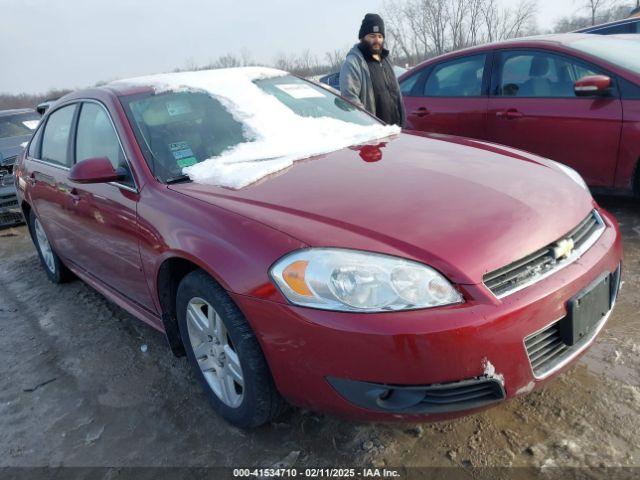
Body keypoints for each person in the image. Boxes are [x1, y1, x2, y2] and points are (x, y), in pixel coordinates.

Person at [339, 13, 405, 127]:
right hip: (374, 134)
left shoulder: (386, 60)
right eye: (372, 35)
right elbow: (349, 99)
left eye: (380, 36)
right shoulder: (354, 63)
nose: (377, 40)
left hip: (395, 129)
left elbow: (396, 93)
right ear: (363, 37)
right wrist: (369, 125)